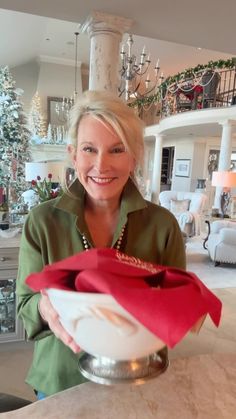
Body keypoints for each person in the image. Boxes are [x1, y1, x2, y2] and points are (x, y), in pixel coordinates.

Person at [16, 90, 186, 398]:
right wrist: (45, 306)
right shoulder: (41, 222)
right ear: (73, 154)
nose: (101, 165)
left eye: (117, 149)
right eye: (89, 149)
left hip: (139, 378)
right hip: (60, 382)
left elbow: (179, 306)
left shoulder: (164, 226)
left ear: (134, 157)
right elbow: (24, 304)